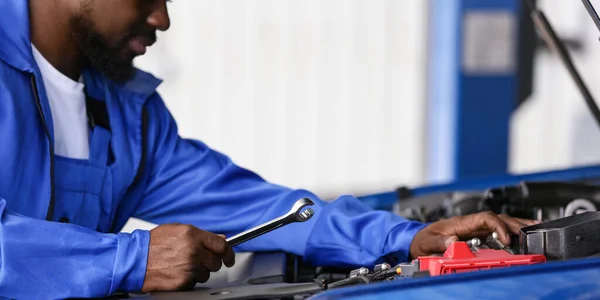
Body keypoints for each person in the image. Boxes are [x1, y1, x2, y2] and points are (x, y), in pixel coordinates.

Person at [0, 0, 538, 299]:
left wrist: (407, 238)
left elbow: (260, 210)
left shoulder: (127, 112)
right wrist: (128, 259)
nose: (163, 17)